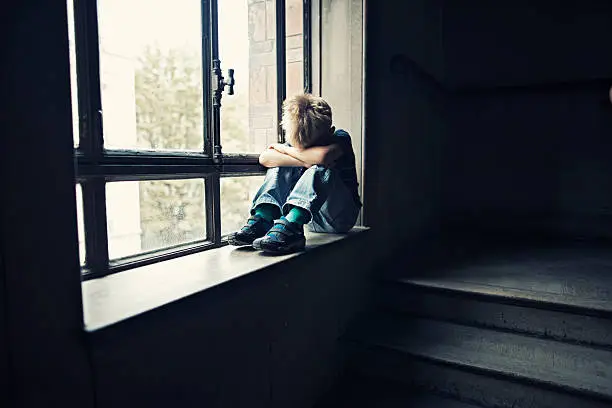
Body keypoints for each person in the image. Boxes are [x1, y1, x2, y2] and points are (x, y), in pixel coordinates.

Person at [228, 93, 361, 254]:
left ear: (330, 131)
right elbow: (265, 158)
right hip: (309, 218)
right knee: (280, 165)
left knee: (322, 168)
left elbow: (323, 157)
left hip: (340, 218)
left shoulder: (340, 137)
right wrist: (302, 158)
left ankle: (292, 226)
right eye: (300, 148)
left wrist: (285, 150)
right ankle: (264, 218)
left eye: (308, 148)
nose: (300, 150)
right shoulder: (298, 138)